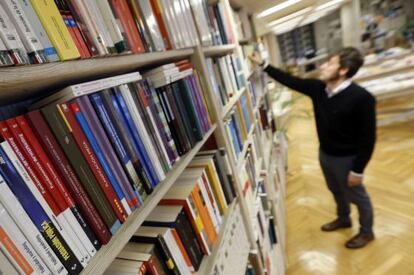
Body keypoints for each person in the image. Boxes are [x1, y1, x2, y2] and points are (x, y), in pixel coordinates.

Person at [250, 47, 376, 249]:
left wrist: (358, 170)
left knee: (358, 197)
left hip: (347, 159)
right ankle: (344, 218)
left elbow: (368, 139)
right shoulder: (318, 89)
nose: (322, 66)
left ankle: (366, 232)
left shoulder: (362, 98)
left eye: (330, 63)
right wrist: (264, 65)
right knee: (335, 189)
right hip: (325, 154)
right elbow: (291, 81)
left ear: (343, 70)